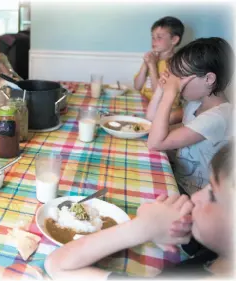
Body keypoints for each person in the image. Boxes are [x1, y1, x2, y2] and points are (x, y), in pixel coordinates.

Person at [45, 142, 233, 279]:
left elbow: (57, 265)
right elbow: (155, 215)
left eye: (214, 196)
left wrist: (142, 228)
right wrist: (158, 221)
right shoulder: (216, 250)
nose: (196, 197)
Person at [147, 37, 233, 196]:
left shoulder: (218, 117)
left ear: (209, 79)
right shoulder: (195, 105)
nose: (177, 84)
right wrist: (161, 87)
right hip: (177, 181)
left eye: (181, 77)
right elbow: (152, 120)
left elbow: (155, 143)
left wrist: (169, 93)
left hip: (196, 196)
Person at [135, 16, 184, 114]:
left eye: (159, 37)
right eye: (152, 37)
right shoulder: (152, 59)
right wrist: (146, 64)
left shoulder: (175, 65)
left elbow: (160, 95)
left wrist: (152, 66)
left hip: (164, 111)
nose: (154, 41)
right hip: (145, 104)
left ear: (174, 40)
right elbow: (137, 86)